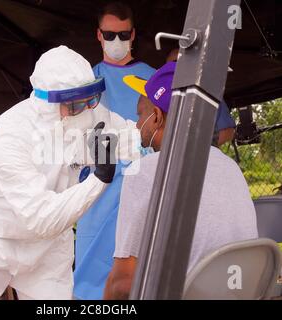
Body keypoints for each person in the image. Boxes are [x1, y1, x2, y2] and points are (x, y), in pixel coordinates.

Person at [0, 45, 140, 300]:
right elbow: (41, 218)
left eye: (92, 98)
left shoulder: (89, 113)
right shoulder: (10, 136)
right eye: (76, 104)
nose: (88, 110)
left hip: (45, 247)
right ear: (47, 102)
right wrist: (98, 180)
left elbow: (137, 137)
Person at [103, 62, 259, 299]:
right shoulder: (231, 168)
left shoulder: (145, 171)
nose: (136, 124)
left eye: (140, 114)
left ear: (156, 117)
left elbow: (123, 284)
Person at [74, 1, 156, 300]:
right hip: (98, 189)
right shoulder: (85, 82)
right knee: (91, 280)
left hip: (144, 186)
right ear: (98, 35)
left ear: (133, 34)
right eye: (109, 35)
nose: (116, 42)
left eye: (123, 35)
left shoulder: (154, 79)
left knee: (143, 274)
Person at [166, 48, 236, 146]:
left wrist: (197, 149)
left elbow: (227, 131)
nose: (175, 68)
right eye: (171, 65)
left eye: (180, 62)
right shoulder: (160, 95)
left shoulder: (208, 93)